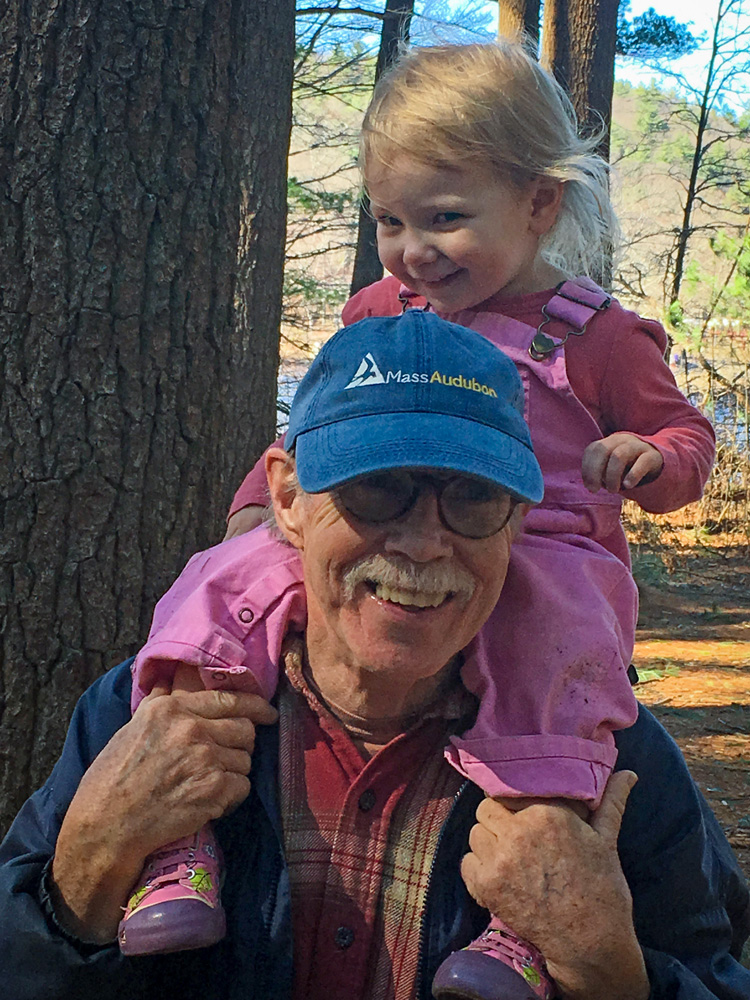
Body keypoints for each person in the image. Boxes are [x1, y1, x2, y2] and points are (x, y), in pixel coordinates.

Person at [125, 38, 717, 998]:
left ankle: (522, 921)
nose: (413, 250)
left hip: (547, 557)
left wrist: (654, 462)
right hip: (371, 513)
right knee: (213, 584)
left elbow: (685, 436)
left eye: (444, 218)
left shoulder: (597, 335)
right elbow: (316, 428)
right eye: (390, 220)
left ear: (538, 202)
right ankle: (183, 833)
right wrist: (250, 511)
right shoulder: (377, 310)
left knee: (548, 691)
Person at [0, 312, 748, 1000]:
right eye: (377, 489)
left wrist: (608, 966)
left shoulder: (605, 757)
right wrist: (83, 872)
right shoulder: (143, 712)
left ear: (518, 520)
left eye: (474, 498)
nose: (424, 542)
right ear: (288, 499)